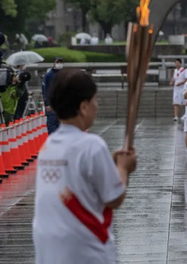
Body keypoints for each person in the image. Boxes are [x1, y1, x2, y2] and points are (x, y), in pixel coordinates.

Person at [33, 69, 137, 264]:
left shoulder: (48, 146)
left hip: (49, 250)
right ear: (83, 107)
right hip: (84, 250)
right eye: (94, 101)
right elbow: (114, 198)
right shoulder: (91, 145)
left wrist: (111, 161)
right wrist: (123, 168)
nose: (97, 106)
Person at [43, 57, 64, 134]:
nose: (59, 64)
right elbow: (45, 90)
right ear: (54, 63)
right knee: (52, 126)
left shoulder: (63, 74)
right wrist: (47, 104)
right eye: (57, 62)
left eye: (60, 62)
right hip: (52, 105)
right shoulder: (49, 75)